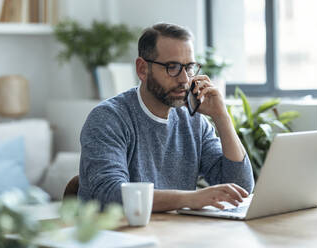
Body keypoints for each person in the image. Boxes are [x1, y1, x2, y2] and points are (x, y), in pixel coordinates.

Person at [78, 23, 254, 212]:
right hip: (115, 236)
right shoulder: (108, 118)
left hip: (171, 233)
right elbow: (110, 195)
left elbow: (241, 189)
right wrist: (190, 199)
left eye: (189, 67)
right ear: (142, 69)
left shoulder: (194, 121)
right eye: (173, 67)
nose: (184, 80)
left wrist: (222, 117)